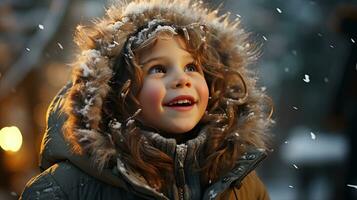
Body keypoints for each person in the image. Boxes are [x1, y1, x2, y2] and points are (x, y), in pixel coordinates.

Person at [20, 0, 273, 199]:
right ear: (117, 92)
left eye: (192, 67)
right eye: (159, 69)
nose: (181, 80)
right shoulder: (66, 188)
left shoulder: (240, 185)